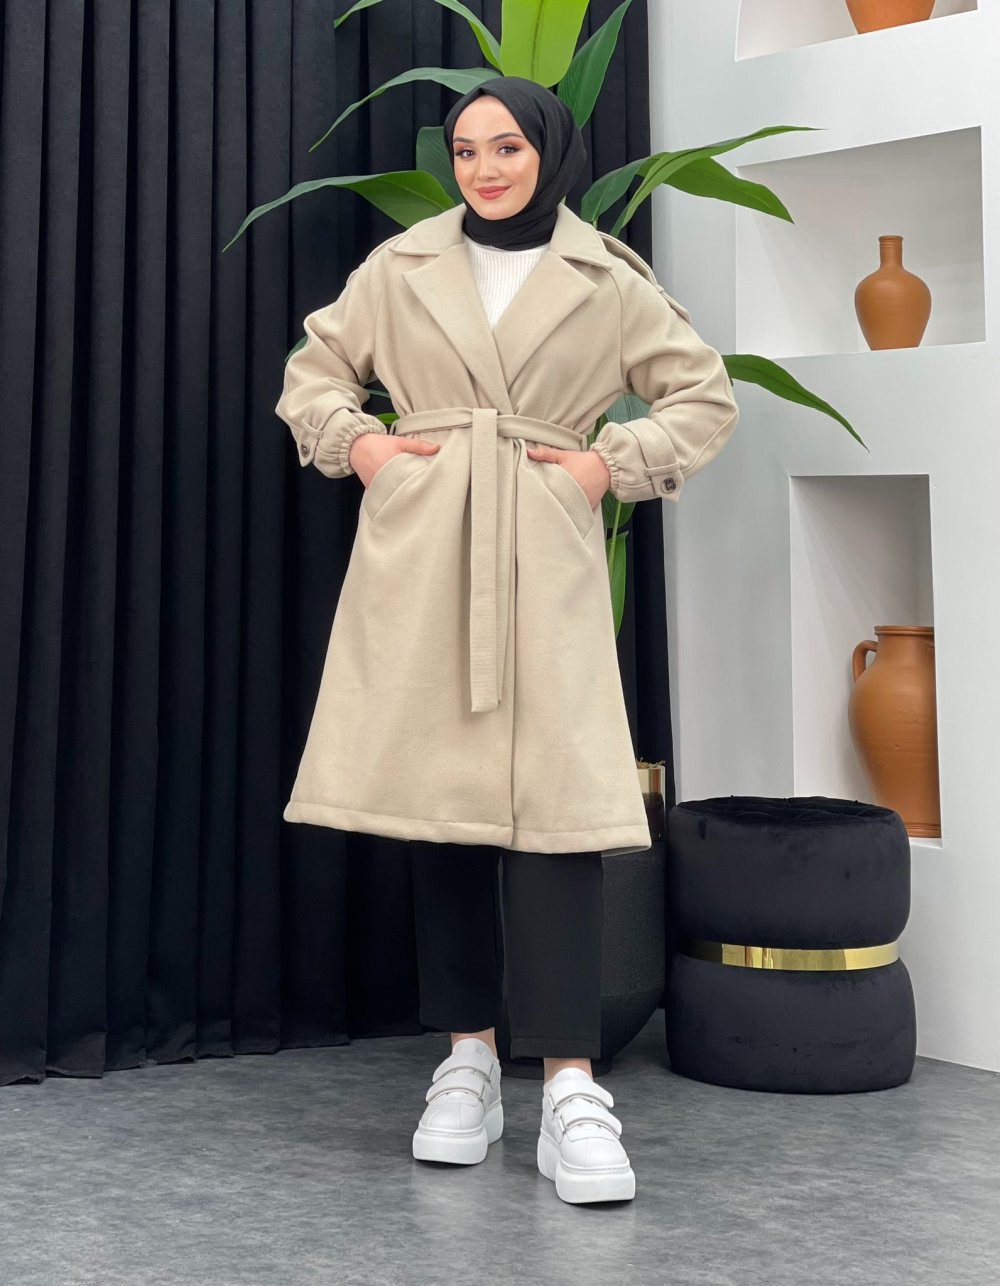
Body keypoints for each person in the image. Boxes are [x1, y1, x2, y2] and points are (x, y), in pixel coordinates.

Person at [275, 77, 740, 1205]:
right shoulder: (402, 266)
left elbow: (702, 396)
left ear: (550, 152)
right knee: (441, 806)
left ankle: (572, 1086)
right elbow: (315, 371)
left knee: (559, 817)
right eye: (468, 150)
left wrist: (603, 468)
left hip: (543, 542)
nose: (484, 169)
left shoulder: (605, 277)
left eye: (508, 149)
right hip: (424, 546)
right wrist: (363, 449)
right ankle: (467, 1062)